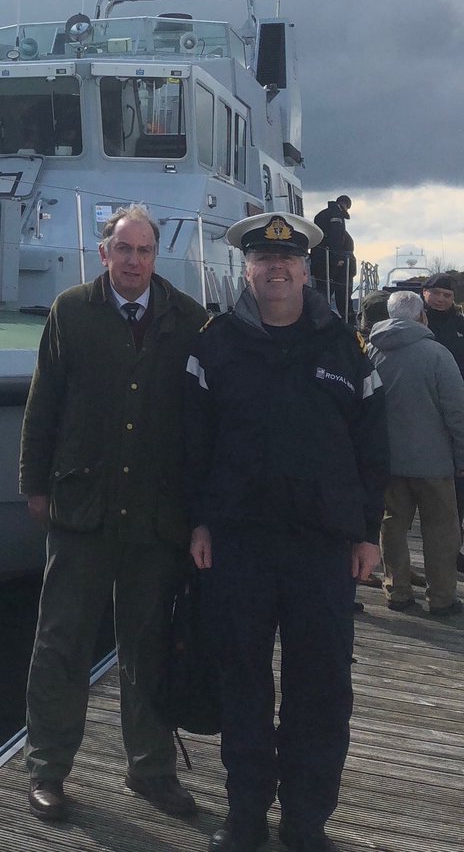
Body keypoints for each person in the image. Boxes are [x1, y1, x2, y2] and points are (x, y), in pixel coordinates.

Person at [184, 212, 387, 852]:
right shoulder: (213, 345)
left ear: (305, 269)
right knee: (242, 684)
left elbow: (372, 450)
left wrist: (368, 533)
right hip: (239, 544)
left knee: (321, 690)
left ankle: (306, 821)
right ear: (246, 269)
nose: (277, 269)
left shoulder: (347, 348)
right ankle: (244, 818)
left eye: (288, 260)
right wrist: (198, 520)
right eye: (263, 260)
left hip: (322, 548)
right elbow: (191, 445)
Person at [19, 204, 208, 823]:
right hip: (82, 510)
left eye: (144, 251)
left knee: (149, 646)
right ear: (104, 254)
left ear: (158, 256)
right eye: (123, 250)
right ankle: (47, 769)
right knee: (61, 644)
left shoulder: (189, 321)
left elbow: (207, 423)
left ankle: (150, 769)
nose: (133, 261)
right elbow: (43, 402)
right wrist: (34, 484)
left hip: (157, 518)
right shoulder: (71, 312)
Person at [368, 290, 464, 616]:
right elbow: (457, 413)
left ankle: (397, 592)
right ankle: (440, 598)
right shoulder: (436, 354)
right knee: (440, 531)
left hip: (389, 460)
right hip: (433, 463)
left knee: (391, 526)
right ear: (422, 315)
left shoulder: (371, 351)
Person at [421, 272, 464, 571]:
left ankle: (456, 549)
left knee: (459, 488)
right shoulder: (416, 323)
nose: (440, 299)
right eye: (435, 293)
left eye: (446, 295)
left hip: (458, 407)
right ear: (424, 294)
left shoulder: (460, 325)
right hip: (425, 410)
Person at [310, 196, 356, 320]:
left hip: (320, 260)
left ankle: (319, 318)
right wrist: (339, 258)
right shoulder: (336, 215)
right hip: (332, 262)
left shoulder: (322, 215)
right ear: (345, 204)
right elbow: (336, 237)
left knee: (323, 292)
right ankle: (348, 321)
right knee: (342, 293)